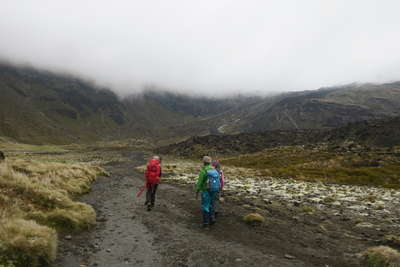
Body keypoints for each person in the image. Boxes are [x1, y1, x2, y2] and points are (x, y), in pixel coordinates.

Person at [195, 156, 220, 227]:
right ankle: (212, 219)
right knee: (211, 205)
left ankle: (205, 223)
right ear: (210, 162)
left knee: (205, 205)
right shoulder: (214, 170)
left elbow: (199, 182)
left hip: (206, 190)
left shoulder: (203, 170)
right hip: (215, 189)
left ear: (203, 162)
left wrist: (197, 191)